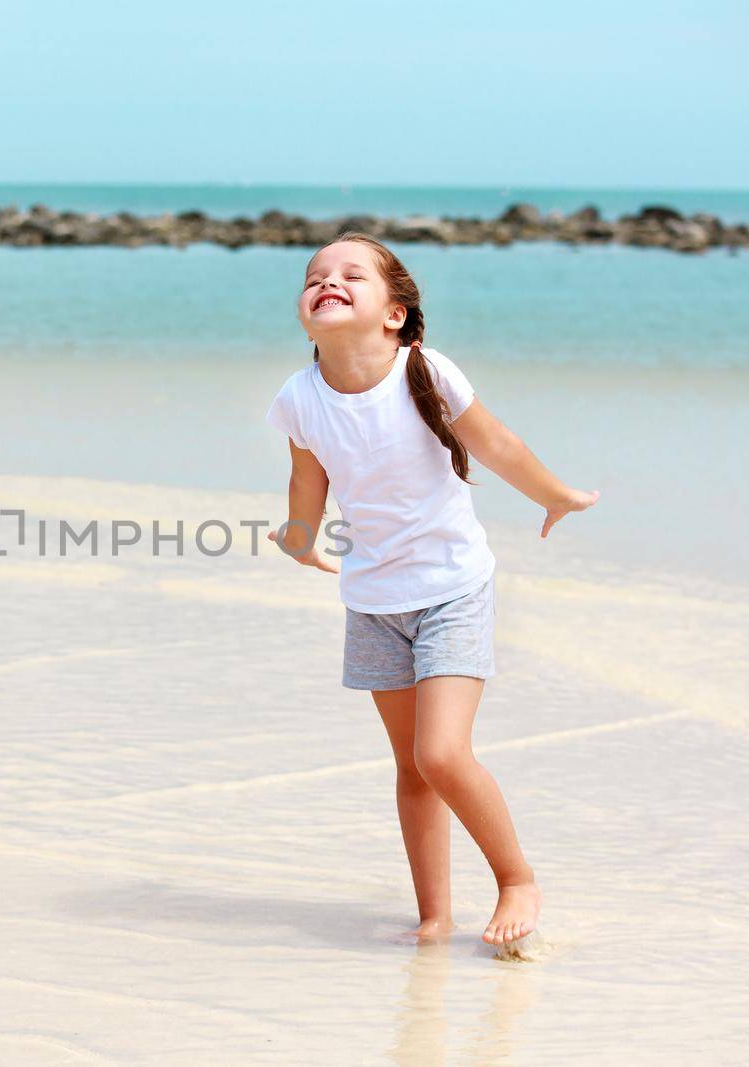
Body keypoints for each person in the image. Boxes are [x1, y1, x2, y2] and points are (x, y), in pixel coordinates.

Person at [264, 232, 599, 950]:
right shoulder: (300, 397)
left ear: (394, 312)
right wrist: (299, 536)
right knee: (412, 767)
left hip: (452, 589)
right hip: (374, 601)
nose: (328, 281)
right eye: (315, 276)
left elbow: (497, 443)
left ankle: (516, 877)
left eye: (352, 274)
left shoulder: (425, 371)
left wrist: (555, 494)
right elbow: (308, 480)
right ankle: (435, 915)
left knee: (442, 753)